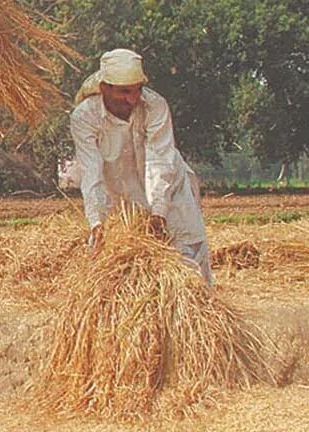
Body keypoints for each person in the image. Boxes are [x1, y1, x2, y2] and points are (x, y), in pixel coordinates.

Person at [69, 49, 212, 283]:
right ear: (105, 88)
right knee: (121, 272)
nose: (132, 99)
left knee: (189, 260)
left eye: (137, 90)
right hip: (122, 202)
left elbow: (160, 160)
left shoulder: (155, 106)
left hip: (170, 193)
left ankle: (196, 315)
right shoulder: (85, 117)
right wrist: (96, 221)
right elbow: (90, 171)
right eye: (124, 92)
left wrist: (158, 213)